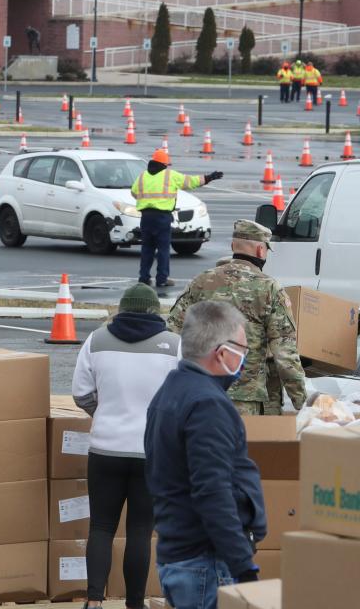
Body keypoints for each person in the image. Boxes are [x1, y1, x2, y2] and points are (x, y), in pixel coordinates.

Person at [145, 300, 266, 609]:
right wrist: (243, 566)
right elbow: (212, 490)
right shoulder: (207, 405)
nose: (245, 357)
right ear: (222, 352)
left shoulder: (171, 391)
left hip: (184, 554)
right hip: (207, 562)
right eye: (242, 349)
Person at [72, 284, 180, 609]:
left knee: (101, 526)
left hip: (105, 448)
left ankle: (94, 600)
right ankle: (134, 604)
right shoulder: (174, 346)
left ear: (121, 309)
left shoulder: (97, 340)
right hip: (151, 453)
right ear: (153, 310)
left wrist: (102, 413)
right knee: (140, 530)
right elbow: (182, 398)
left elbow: (81, 393)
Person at [166, 220, 307, 415]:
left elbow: (172, 332)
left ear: (233, 246)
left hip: (200, 392)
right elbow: (284, 352)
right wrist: (301, 401)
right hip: (246, 400)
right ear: (260, 251)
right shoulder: (270, 288)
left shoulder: (201, 281)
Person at [131, 149, 222, 288]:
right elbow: (191, 182)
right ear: (164, 163)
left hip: (146, 217)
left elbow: (134, 192)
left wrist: (147, 202)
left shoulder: (142, 176)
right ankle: (162, 279)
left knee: (147, 249)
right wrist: (209, 177)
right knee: (163, 249)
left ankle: (143, 278)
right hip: (162, 217)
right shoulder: (169, 175)